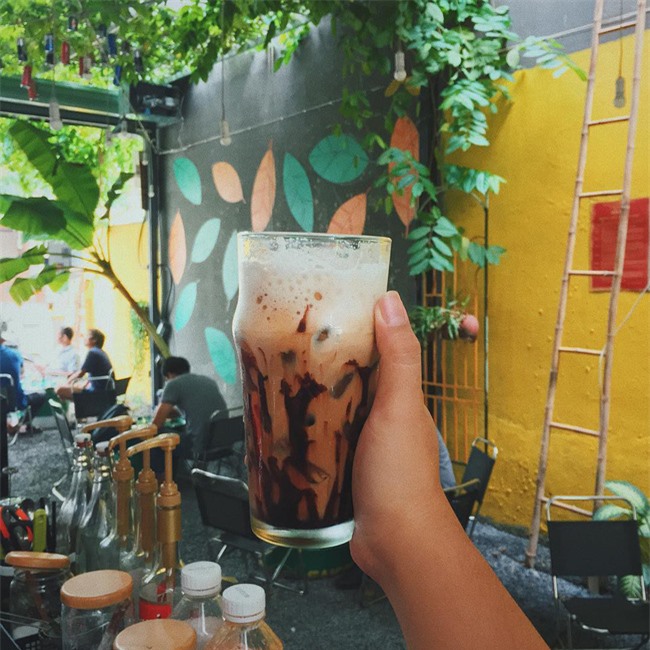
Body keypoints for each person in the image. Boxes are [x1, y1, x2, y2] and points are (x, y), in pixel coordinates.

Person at [350, 291, 547, 649]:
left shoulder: (414, 430)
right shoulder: (418, 427)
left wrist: (401, 521)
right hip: (447, 504)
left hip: (447, 499)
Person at [152, 356, 227, 462]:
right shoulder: (208, 381)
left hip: (198, 446)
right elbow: (196, 409)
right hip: (223, 444)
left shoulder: (173, 384)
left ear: (169, 374)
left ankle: (163, 473)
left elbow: (156, 424)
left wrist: (158, 413)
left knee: (156, 434)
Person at [0, 321, 47, 430]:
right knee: (41, 395)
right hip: (15, 402)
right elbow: (21, 373)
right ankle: (19, 425)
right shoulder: (14, 355)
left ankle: (9, 425)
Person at [56, 329, 113, 400]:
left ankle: (85, 405)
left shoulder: (92, 352)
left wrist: (66, 383)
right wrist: (82, 384)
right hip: (104, 391)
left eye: (86, 336)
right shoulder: (100, 352)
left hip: (96, 393)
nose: (84, 338)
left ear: (94, 340)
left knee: (59, 389)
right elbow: (94, 375)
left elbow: (80, 374)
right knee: (74, 387)